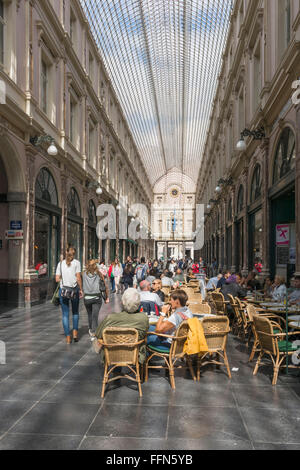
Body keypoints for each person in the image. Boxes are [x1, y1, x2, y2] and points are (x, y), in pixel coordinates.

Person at [94, 288, 149, 363]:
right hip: (136, 355)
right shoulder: (143, 318)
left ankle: (115, 369)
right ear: (139, 303)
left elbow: (98, 334)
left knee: (101, 340)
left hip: (112, 355)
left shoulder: (110, 318)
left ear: (122, 302)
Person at [55, 247, 83, 344]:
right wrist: (81, 289)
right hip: (74, 290)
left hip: (63, 291)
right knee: (75, 312)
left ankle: (68, 337)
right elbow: (78, 277)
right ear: (74, 254)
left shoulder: (60, 263)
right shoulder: (77, 263)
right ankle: (75, 334)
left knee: (65, 315)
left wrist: (64, 279)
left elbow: (56, 279)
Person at [83, 260, 109, 341]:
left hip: (87, 298)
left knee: (90, 314)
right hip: (96, 298)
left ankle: (91, 329)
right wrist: (106, 297)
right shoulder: (99, 274)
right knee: (95, 316)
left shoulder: (83, 274)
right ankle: (93, 333)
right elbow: (105, 286)